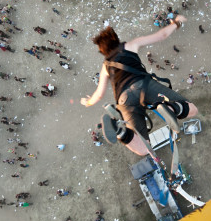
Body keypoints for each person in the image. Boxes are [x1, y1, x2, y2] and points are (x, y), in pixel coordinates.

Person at [82, 18, 198, 156]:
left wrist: (87, 102)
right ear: (116, 39)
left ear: (103, 51)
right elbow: (162, 35)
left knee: (144, 149)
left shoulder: (105, 66)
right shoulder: (130, 45)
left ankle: (121, 132)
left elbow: (99, 94)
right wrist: (176, 23)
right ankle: (172, 108)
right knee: (192, 110)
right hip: (144, 85)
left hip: (124, 99)